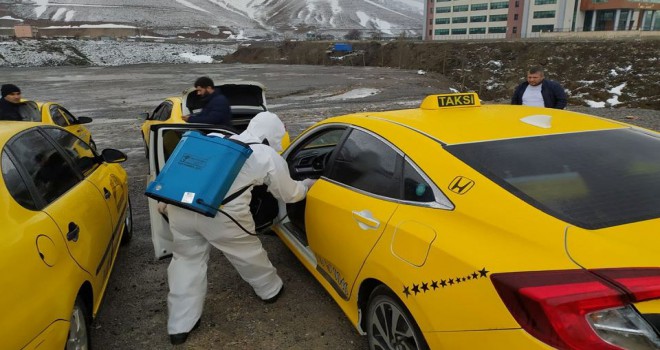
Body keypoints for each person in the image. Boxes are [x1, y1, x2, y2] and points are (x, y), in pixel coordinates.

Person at [161, 111, 316, 345]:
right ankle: (270, 290)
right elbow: (289, 194)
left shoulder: (216, 138)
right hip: (221, 214)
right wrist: (307, 185)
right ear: (272, 136)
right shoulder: (264, 154)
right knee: (247, 253)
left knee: (186, 261)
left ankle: (180, 325)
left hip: (181, 207)